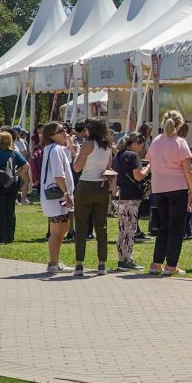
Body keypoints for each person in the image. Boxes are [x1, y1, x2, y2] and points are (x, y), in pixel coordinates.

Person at [147, 110, 192, 276]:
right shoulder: (180, 142)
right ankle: (171, 265)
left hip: (159, 188)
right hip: (177, 187)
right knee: (176, 228)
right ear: (180, 124)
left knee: (163, 227)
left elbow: (151, 163)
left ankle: (156, 263)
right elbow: (188, 169)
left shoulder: (156, 141)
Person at [71, 118, 114, 276]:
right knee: (101, 226)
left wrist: (76, 153)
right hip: (101, 186)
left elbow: (77, 167)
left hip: (86, 185)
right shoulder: (108, 145)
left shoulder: (87, 144)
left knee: (81, 226)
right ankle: (102, 264)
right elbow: (108, 167)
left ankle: (79, 263)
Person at [40, 122, 75, 273]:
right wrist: (67, 193)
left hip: (58, 195)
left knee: (63, 228)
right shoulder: (54, 150)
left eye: (64, 129)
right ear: (51, 135)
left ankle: (55, 262)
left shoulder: (56, 149)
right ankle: (53, 263)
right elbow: (58, 175)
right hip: (57, 196)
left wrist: (69, 142)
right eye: (61, 131)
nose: (64, 132)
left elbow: (70, 157)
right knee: (57, 230)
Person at [0, 131, 28, 244]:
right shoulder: (14, 153)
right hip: (12, 184)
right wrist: (16, 174)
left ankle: (0, 237)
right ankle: (10, 236)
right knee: (10, 210)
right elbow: (26, 166)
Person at [112, 133, 148, 271]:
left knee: (122, 228)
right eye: (140, 145)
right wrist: (147, 169)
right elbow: (138, 176)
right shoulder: (133, 156)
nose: (141, 149)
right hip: (131, 196)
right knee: (130, 229)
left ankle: (122, 258)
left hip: (119, 196)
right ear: (134, 144)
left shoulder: (118, 156)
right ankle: (127, 259)